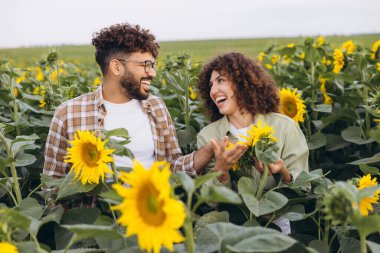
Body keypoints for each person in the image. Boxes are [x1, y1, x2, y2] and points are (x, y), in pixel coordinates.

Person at [43, 22, 215, 181]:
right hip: (95, 211)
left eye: (152, 65)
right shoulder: (69, 114)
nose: (152, 73)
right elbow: (53, 183)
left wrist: (208, 151)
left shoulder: (157, 107)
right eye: (145, 65)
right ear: (117, 67)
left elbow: (171, 169)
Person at [196, 52, 309, 232]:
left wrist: (284, 174)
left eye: (221, 80)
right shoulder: (209, 136)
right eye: (210, 85)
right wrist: (221, 172)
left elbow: (304, 189)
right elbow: (210, 201)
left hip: (278, 226)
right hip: (234, 230)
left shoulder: (284, 127)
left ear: (242, 83)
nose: (213, 91)